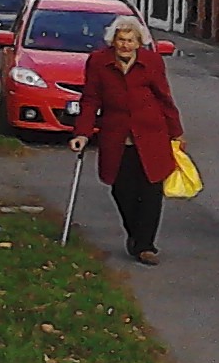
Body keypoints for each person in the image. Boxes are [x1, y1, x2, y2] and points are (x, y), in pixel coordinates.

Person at [70, 15, 184, 266]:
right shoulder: (99, 61)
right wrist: (82, 133)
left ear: (139, 42)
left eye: (130, 40)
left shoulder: (152, 62)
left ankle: (146, 246)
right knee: (121, 189)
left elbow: (164, 97)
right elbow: (90, 99)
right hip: (116, 136)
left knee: (151, 191)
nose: (125, 45)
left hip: (151, 134)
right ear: (113, 40)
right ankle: (135, 235)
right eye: (121, 40)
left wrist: (176, 132)